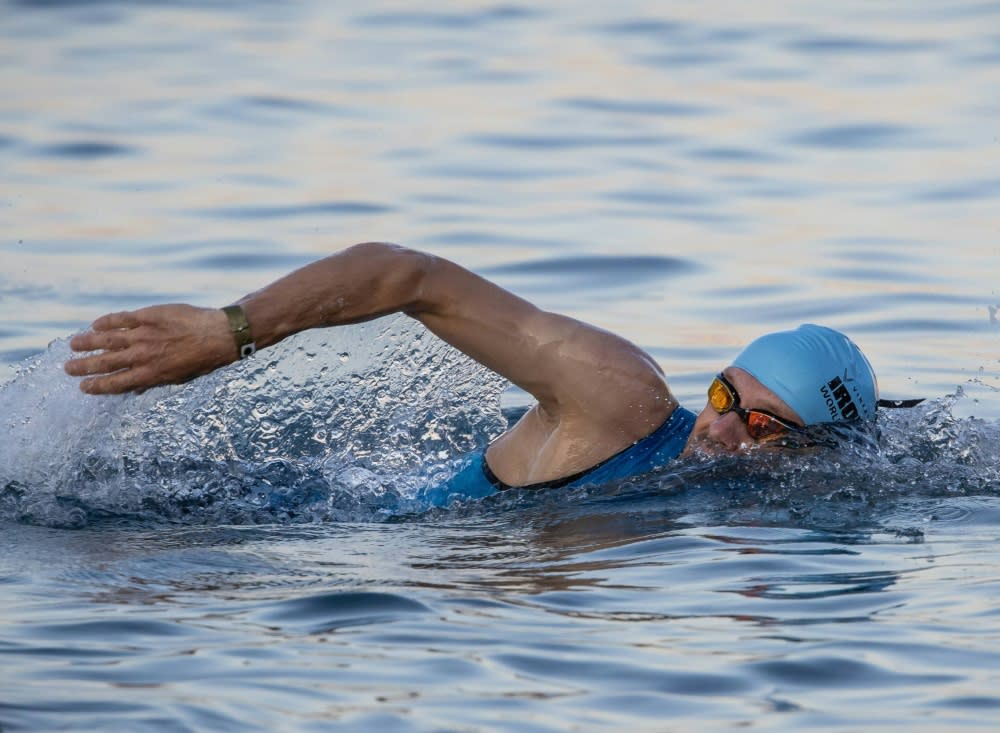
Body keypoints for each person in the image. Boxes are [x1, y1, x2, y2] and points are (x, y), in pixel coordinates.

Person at [63, 242, 880, 495]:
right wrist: (228, 330)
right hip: (338, 554)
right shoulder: (621, 400)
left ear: (812, 453)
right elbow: (411, 277)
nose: (720, 424)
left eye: (761, 423)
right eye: (724, 392)